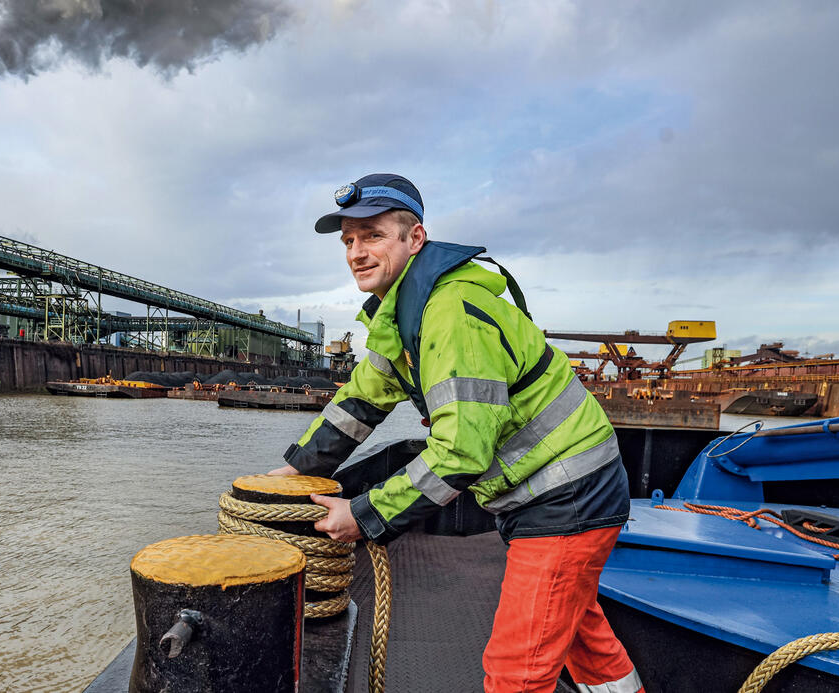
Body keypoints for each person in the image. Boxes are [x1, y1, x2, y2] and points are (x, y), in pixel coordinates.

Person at [268, 174, 643, 693]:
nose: (356, 252)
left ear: (414, 238)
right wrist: (290, 474)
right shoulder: (401, 314)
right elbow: (358, 402)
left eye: (372, 235)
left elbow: (461, 453)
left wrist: (362, 515)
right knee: (583, 637)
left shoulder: (450, 313)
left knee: (515, 671)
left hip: (565, 498)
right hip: (551, 490)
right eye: (348, 240)